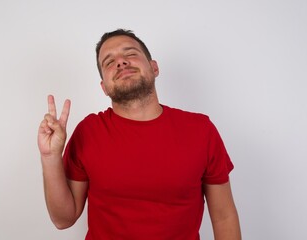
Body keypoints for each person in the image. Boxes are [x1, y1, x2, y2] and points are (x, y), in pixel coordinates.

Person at [38, 29, 241, 240]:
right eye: (109, 62)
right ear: (104, 87)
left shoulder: (201, 129)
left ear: (154, 67)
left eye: (130, 54)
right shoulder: (88, 132)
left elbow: (224, 217)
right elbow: (64, 219)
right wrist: (50, 157)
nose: (121, 62)